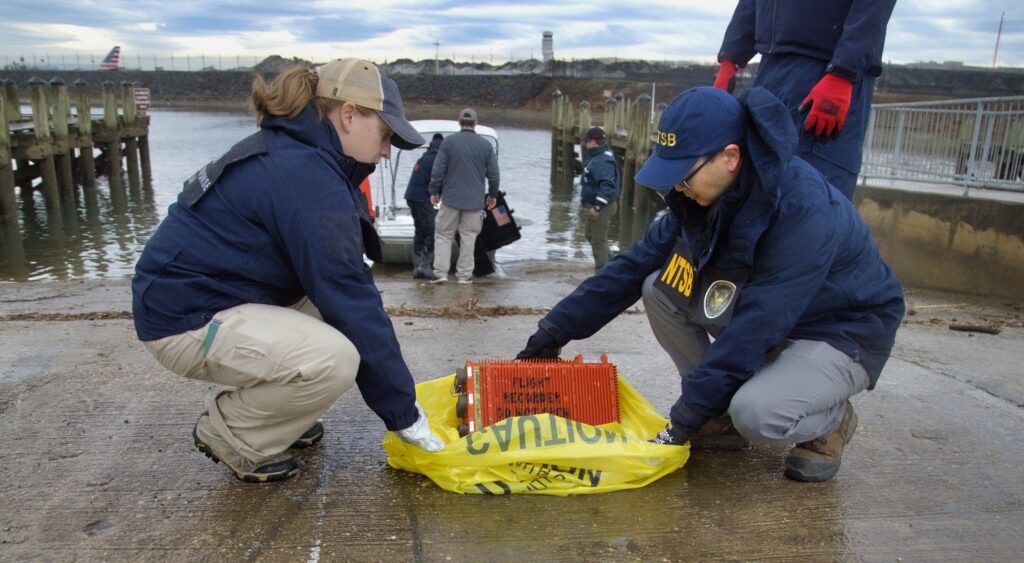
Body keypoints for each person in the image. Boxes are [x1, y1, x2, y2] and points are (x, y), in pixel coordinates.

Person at [517, 87, 905, 482]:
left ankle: (831, 420)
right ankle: (718, 415)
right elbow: (631, 266)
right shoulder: (699, 199)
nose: (678, 187)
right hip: (775, 318)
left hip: (840, 331)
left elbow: (758, 325)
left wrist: (683, 420)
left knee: (758, 415)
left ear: (730, 156)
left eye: (684, 175)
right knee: (657, 286)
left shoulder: (802, 210)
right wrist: (553, 332)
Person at [132, 59, 445, 483]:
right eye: (386, 134)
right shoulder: (306, 176)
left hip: (217, 294)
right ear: (349, 115)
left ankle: (276, 418)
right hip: (184, 318)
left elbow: (343, 293)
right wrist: (403, 414)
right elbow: (350, 297)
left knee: (334, 323)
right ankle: (234, 431)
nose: (388, 151)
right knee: (334, 359)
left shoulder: (297, 154)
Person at [713, 0, 896, 199]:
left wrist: (843, 71)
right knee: (756, 188)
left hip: (826, 71)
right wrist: (731, 56)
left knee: (813, 196)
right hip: (772, 64)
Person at [427, 108, 500, 284]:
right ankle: (464, 275)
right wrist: (492, 194)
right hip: (474, 201)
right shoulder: (485, 145)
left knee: (443, 234)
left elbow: (438, 170)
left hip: (451, 198)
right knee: (469, 236)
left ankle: (441, 273)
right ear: (475, 123)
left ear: (459, 122)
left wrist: (434, 191)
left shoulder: (448, 143)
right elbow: (494, 174)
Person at [579, 126, 620, 272]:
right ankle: (613, 260)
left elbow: (607, 185)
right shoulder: (599, 156)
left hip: (603, 206)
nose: (585, 144)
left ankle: (602, 273)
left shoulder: (603, 160)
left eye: (587, 141)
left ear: (593, 142)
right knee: (589, 235)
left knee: (598, 240)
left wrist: (597, 207)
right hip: (597, 204)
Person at [405, 133, 444, 279]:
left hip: (411, 196)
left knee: (420, 230)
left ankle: (417, 267)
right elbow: (438, 180)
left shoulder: (424, 157)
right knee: (433, 230)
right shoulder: (436, 159)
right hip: (422, 198)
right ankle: (426, 266)